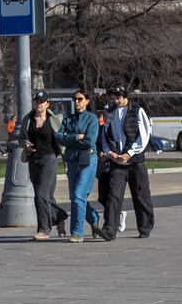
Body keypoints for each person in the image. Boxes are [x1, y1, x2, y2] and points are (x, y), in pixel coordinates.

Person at [97, 83, 154, 240]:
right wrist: (110, 153)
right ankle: (109, 230)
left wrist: (129, 153)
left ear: (124, 96)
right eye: (113, 98)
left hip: (135, 161)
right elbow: (105, 135)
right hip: (117, 161)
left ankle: (145, 227)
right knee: (113, 195)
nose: (116, 101)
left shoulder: (137, 110)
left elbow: (144, 135)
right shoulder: (109, 112)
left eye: (118, 98)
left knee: (141, 194)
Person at [56, 88, 102, 243]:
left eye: (80, 99)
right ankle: (94, 218)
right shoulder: (68, 119)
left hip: (87, 159)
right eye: (74, 99)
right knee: (76, 197)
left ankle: (77, 232)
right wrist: (75, 137)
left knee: (78, 196)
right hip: (72, 160)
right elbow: (59, 137)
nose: (77, 102)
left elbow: (89, 141)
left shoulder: (92, 119)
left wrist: (70, 139)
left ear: (87, 101)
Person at [24, 91, 68, 240]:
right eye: (36, 101)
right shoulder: (28, 119)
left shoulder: (54, 120)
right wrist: (26, 144)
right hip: (33, 160)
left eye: (42, 102)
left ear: (47, 104)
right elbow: (22, 137)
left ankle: (44, 229)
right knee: (45, 195)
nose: (39, 104)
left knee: (41, 194)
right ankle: (59, 218)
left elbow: (62, 142)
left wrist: (66, 162)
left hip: (49, 158)